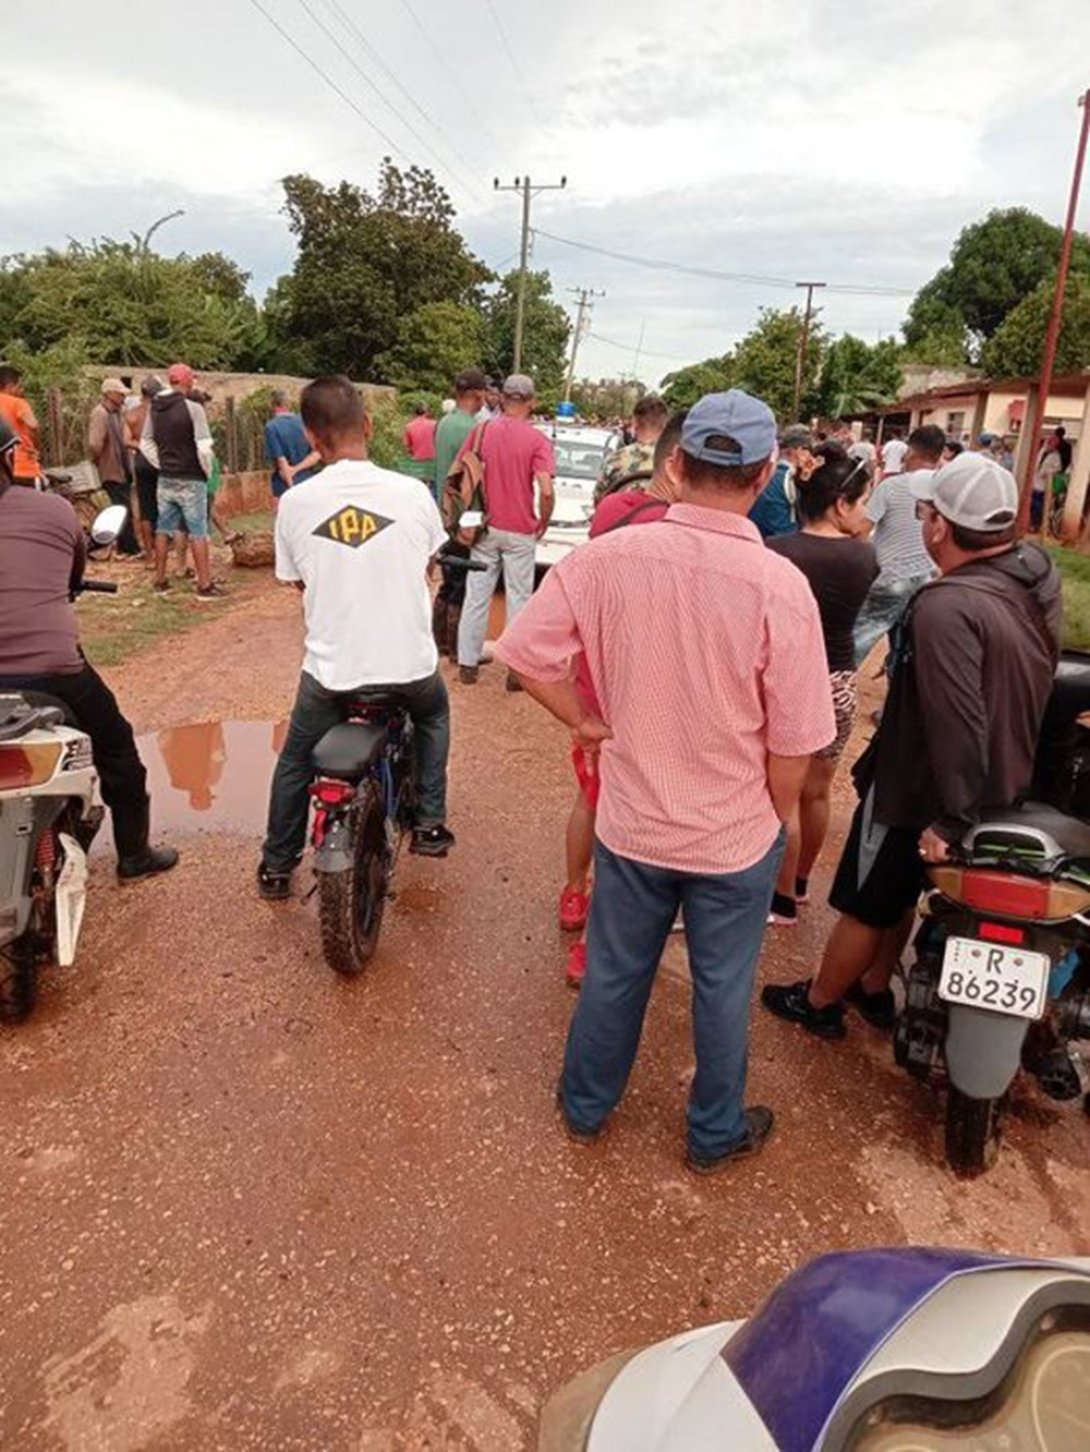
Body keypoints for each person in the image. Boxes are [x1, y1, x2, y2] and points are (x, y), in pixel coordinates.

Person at [496, 389, 835, 1172]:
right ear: (766, 475)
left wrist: (583, 718)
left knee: (615, 971)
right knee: (722, 987)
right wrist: (772, 814)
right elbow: (797, 737)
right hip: (732, 836)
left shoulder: (606, 558)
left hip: (634, 822)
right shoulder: (779, 586)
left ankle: (585, 1107)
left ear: (676, 464)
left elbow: (523, 653)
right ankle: (713, 1133)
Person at [762, 453, 1061, 1039]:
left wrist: (952, 817)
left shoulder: (944, 607)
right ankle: (874, 988)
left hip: (923, 785)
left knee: (866, 897)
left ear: (940, 527)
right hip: (1002, 773)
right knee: (899, 891)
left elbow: (954, 717)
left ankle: (822, 1002)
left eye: (925, 513)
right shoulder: (1033, 573)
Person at [258, 375, 455, 899]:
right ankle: (430, 822)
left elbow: (296, 579)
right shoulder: (413, 493)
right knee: (434, 713)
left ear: (309, 437)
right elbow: (428, 566)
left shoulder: (297, 503)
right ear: (367, 426)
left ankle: (276, 866)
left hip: (331, 674)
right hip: (409, 668)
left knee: (297, 759)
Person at [0, 418, 178, 880]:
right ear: (8, 456)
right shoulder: (53, 511)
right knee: (118, 753)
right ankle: (135, 858)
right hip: (54, 671)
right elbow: (72, 575)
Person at [559, 409, 687, 988]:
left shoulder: (611, 510)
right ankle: (591, 945)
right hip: (647, 685)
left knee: (592, 797)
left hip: (595, 677)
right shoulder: (684, 528)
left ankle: (572, 893)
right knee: (624, 815)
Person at [765, 450, 879, 925]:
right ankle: (805, 882)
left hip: (791, 681)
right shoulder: (864, 557)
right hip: (839, 682)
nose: (866, 515)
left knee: (782, 795)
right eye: (860, 503)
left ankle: (782, 897)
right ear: (839, 505)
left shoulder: (775, 552)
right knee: (817, 792)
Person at [455, 374, 555, 691]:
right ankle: (515, 671)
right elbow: (546, 488)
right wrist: (544, 518)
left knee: (477, 595)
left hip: (485, 525)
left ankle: (468, 664)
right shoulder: (537, 440)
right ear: (531, 402)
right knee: (519, 599)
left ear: (503, 398)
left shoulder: (481, 430)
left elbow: (462, 472)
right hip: (521, 529)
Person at [852, 424, 943, 664]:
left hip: (890, 575)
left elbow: (862, 531)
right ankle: (899, 696)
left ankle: (835, 690)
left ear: (910, 452)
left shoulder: (891, 486)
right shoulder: (944, 488)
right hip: (927, 577)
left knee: (860, 636)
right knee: (907, 648)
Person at [141, 362, 226, 601]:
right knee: (198, 531)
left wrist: (162, 463)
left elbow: (145, 442)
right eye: (192, 380)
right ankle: (204, 585)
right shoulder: (193, 408)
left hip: (166, 479)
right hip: (191, 478)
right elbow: (203, 447)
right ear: (187, 380)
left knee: (163, 528)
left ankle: (159, 580)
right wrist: (206, 472)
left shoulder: (155, 407)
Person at [431, 369, 487, 657]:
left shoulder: (444, 423)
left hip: (443, 509)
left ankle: (437, 639)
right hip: (466, 512)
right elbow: (474, 478)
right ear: (477, 394)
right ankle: (456, 646)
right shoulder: (473, 429)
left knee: (447, 578)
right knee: (461, 584)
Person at [87, 378, 141, 557]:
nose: (122, 397)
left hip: (122, 468)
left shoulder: (118, 412)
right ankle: (129, 547)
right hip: (111, 469)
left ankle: (127, 546)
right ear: (109, 394)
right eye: (119, 393)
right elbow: (95, 443)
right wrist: (98, 460)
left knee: (124, 507)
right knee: (121, 509)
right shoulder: (100, 414)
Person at [594, 394, 668, 502]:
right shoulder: (674, 462)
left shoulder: (616, 460)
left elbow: (598, 499)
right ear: (665, 425)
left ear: (635, 423)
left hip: (622, 516)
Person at [748, 424, 815, 538]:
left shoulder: (764, 473)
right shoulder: (788, 479)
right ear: (798, 451)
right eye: (809, 450)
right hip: (782, 544)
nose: (811, 456)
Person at [127, 376, 164, 561]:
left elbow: (126, 440)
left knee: (146, 510)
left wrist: (142, 446)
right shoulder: (162, 413)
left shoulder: (132, 414)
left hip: (142, 463)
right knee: (164, 507)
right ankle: (162, 552)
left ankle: (149, 555)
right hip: (161, 462)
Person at [264, 390, 320, 504]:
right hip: (307, 479)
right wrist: (297, 469)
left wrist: (291, 487)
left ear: (273, 405)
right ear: (289, 404)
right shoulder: (305, 421)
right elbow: (317, 453)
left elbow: (281, 459)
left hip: (283, 483)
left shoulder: (271, 427)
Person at [0, 366, 42, 488]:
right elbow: (33, 425)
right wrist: (36, 447)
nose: (21, 390)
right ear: (10, 386)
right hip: (24, 468)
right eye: (19, 386)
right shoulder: (18, 403)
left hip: (3, 472)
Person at [402, 402, 438, 495]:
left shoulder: (408, 426)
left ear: (414, 413)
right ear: (426, 412)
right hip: (433, 463)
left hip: (417, 465)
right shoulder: (435, 424)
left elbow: (406, 446)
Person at [1033, 434, 1063, 533]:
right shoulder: (1042, 451)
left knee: (1040, 506)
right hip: (1035, 480)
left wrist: (1049, 472)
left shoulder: (1056, 456)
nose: (1049, 446)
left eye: (1051, 444)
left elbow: (1058, 469)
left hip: (1045, 483)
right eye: (1048, 443)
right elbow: (1036, 462)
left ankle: (1037, 525)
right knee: (1033, 504)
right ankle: (1034, 523)